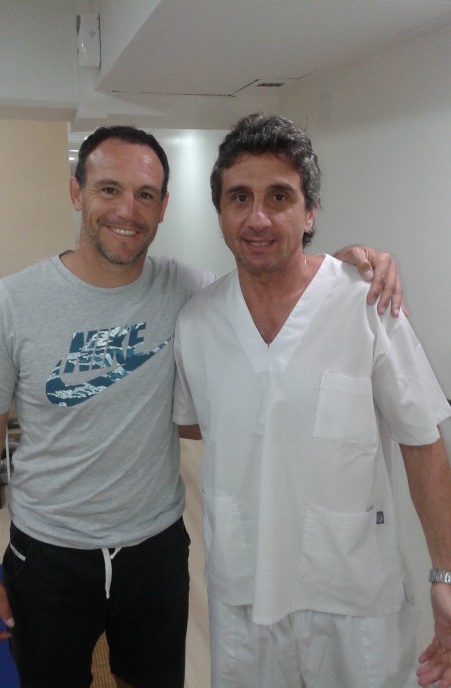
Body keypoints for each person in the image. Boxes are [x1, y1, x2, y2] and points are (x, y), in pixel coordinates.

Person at [0, 123, 403, 688]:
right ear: (76, 193)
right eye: (109, 189)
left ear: (163, 207)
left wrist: (344, 266)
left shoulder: (190, 292)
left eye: (145, 194)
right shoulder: (11, 305)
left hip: (155, 550)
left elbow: (279, 286)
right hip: (48, 553)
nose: (127, 210)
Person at [172, 114, 451, 688]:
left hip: (354, 593)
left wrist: (445, 573)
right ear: (219, 212)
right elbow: (197, 425)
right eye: (239, 198)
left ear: (310, 213)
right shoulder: (197, 322)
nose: (258, 218)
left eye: (279, 197)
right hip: (243, 591)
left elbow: (422, 440)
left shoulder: (366, 302)